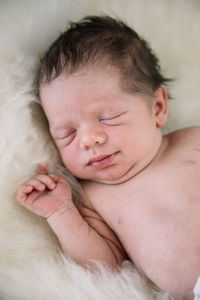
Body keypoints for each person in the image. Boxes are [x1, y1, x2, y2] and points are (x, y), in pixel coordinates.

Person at [16, 16, 200, 299]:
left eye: (108, 118)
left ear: (158, 107)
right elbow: (103, 268)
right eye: (68, 133)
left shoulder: (191, 141)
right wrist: (61, 213)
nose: (89, 139)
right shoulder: (93, 197)